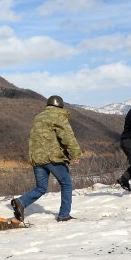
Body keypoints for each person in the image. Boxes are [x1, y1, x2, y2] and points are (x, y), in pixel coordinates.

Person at [11, 95, 82, 223]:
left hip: (37, 158)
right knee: (66, 184)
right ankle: (64, 215)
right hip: (52, 158)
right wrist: (75, 154)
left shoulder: (38, 117)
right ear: (60, 105)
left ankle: (21, 202)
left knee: (41, 188)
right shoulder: (58, 116)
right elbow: (67, 137)